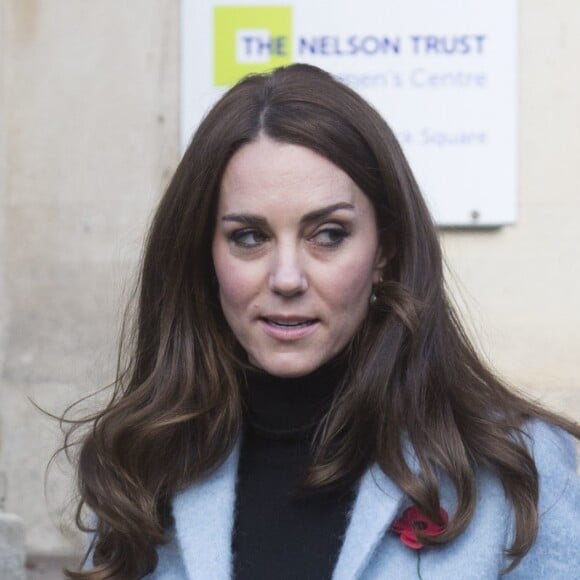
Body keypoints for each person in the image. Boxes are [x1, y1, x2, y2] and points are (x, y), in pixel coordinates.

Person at [67, 64, 579, 579]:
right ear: (205, 255)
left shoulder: (524, 471)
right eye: (249, 236)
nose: (287, 277)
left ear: (386, 250)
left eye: (328, 234)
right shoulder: (142, 466)